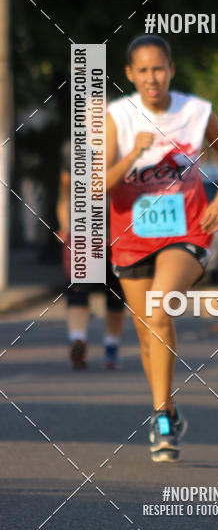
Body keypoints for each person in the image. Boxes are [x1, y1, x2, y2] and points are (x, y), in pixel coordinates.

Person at [106, 35, 218, 462]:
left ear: (171, 69)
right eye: (142, 71)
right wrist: (134, 155)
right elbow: (98, 185)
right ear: (130, 75)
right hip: (131, 236)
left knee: (160, 311)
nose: (151, 78)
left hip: (187, 231)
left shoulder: (195, 111)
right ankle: (168, 407)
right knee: (147, 332)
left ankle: (161, 418)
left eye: (158, 68)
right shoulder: (117, 117)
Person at [57, 140, 126, 370]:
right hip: (115, 232)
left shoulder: (72, 150)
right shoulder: (123, 144)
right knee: (115, 292)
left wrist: (67, 227)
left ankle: (78, 338)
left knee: (78, 290)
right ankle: (111, 349)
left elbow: (65, 190)